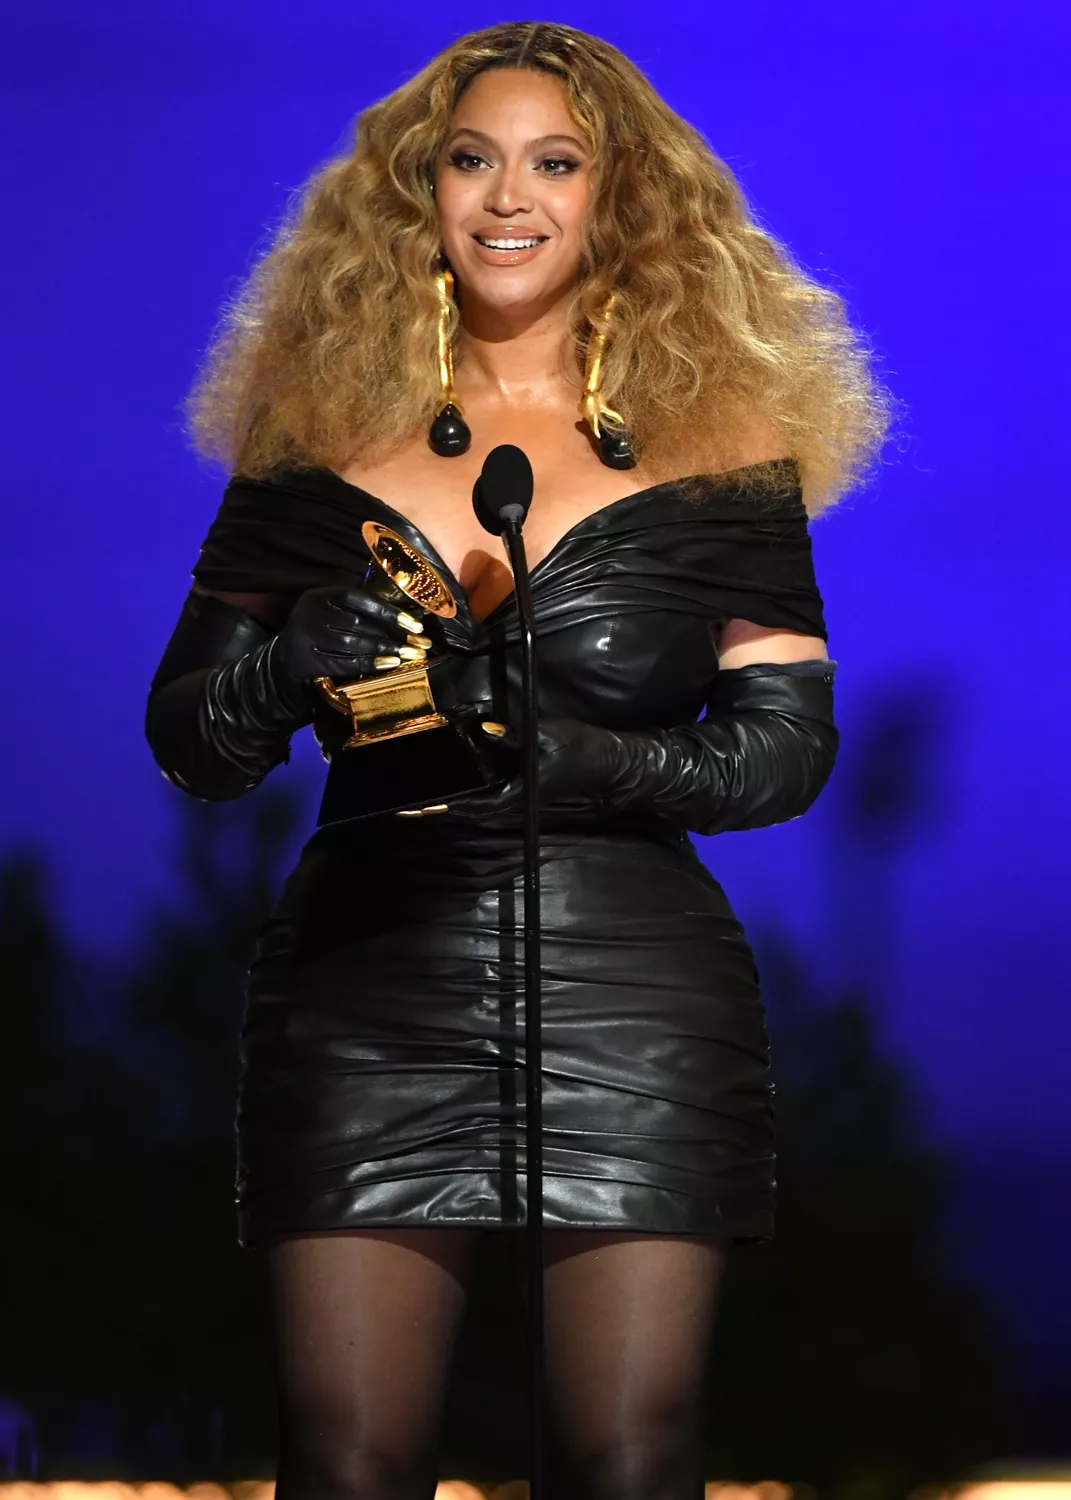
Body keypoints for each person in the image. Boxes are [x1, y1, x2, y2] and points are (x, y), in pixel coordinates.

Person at [145, 20, 890, 1500]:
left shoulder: (723, 438)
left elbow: (783, 750)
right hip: (365, 983)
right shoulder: (309, 437)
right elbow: (189, 739)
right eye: (470, 161)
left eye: (555, 164)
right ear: (414, 193)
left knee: (628, 1460)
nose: (507, 198)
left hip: (634, 988)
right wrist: (291, 666)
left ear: (619, 200)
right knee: (346, 1461)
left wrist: (582, 753)